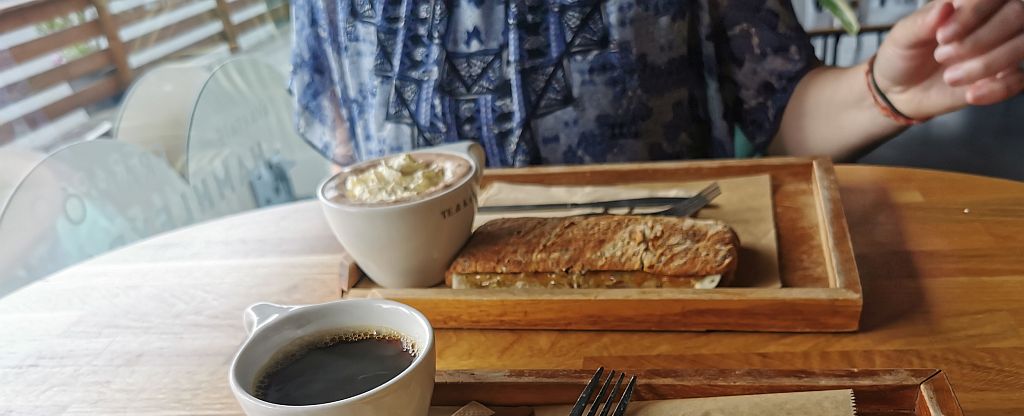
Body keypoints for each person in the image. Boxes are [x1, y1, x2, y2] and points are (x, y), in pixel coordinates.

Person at [289, 0, 1024, 167]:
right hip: (416, 350)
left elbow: (783, 114)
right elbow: (346, 155)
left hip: (666, 320)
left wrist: (885, 91)